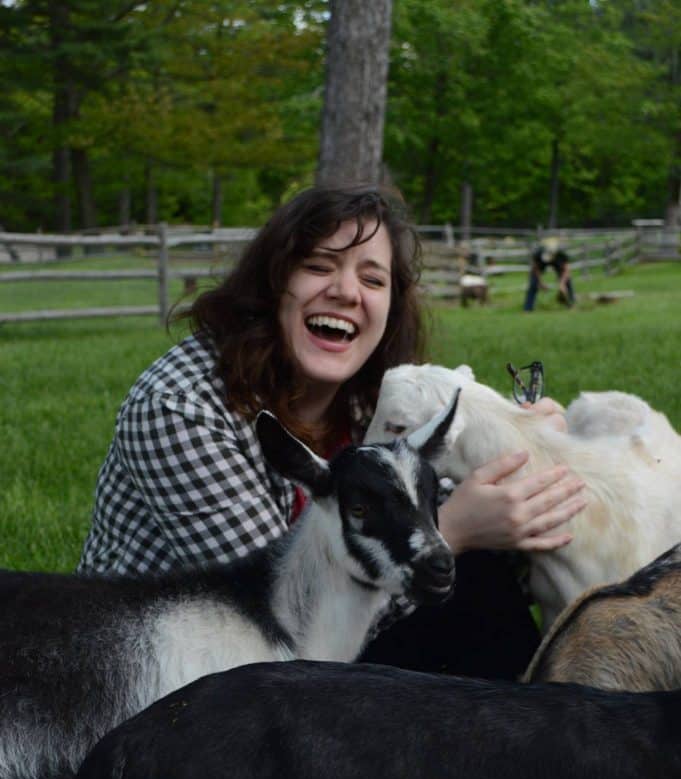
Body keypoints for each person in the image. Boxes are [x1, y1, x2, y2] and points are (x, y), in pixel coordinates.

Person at [78, 185, 585, 679]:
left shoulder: (372, 400)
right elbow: (279, 632)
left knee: (479, 577)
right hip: (172, 679)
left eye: (373, 279)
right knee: (456, 562)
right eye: (319, 266)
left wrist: (529, 451)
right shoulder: (182, 408)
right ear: (272, 283)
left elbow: (462, 509)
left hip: (323, 652)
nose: (345, 292)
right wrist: (451, 531)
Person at [523, 242, 575, 311]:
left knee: (567, 282)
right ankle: (528, 308)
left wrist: (562, 284)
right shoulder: (538, 254)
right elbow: (535, 269)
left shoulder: (561, 255)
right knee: (533, 282)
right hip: (540, 266)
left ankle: (571, 303)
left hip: (558, 264)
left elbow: (566, 270)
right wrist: (541, 283)